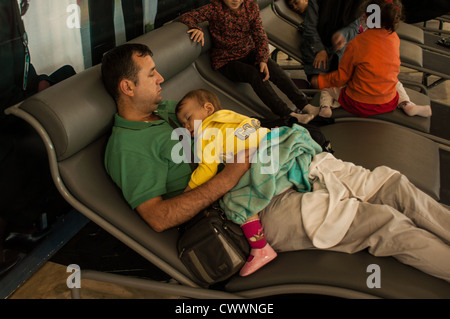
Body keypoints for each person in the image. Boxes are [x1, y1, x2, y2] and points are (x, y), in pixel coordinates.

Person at [102, 42, 450, 283]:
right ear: (127, 87)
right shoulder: (127, 149)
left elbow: (215, 118)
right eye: (151, 74)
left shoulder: (163, 110)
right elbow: (158, 218)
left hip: (275, 165)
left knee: (394, 186)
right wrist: (232, 173)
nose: (161, 78)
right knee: (384, 223)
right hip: (250, 209)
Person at [175, 89, 277, 276]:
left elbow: (207, 169)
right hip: (273, 143)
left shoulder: (205, 133)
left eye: (188, 118)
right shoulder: (228, 115)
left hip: (258, 161)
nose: (186, 125)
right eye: (183, 123)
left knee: (236, 199)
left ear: (208, 109)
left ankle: (261, 248)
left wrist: (188, 191)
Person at [178, 0, 318, 125]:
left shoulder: (251, 6)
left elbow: (260, 35)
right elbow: (186, 17)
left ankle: (304, 104)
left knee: (271, 67)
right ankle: (288, 114)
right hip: (226, 60)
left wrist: (262, 58)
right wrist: (196, 28)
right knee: (253, 74)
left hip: (248, 52)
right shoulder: (214, 8)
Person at [311, 0, 432, 118]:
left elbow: (342, 77)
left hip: (358, 104)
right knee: (396, 83)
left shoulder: (356, 42)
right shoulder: (394, 39)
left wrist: (321, 81)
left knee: (328, 88)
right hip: (387, 103)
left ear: (365, 16)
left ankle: (325, 108)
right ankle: (407, 104)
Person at [300, 0, 364, 82]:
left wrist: (342, 34)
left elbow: (354, 27)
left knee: (347, 75)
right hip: (317, 43)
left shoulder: (355, 3)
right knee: (318, 78)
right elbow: (310, 28)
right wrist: (320, 50)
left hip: (340, 46)